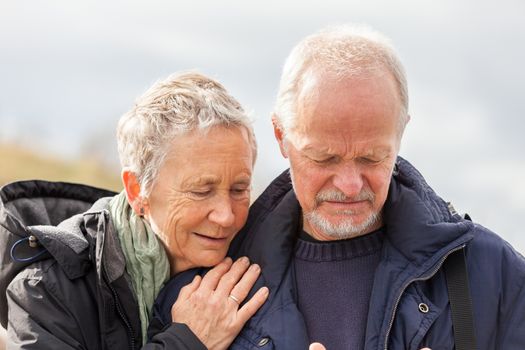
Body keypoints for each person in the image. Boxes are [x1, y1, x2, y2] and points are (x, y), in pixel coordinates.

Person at [151, 25, 525, 349]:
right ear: (281, 136)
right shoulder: (199, 293)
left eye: (371, 158)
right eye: (324, 158)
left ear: (401, 133)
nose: (349, 186)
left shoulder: (495, 275)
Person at [0, 72, 269, 349]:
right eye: (201, 191)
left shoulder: (267, 268)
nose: (226, 216)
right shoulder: (45, 293)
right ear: (137, 190)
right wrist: (187, 342)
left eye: (239, 190)